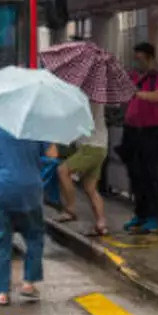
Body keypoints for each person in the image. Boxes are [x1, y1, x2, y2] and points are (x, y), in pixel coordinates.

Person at [0, 122, 55, 306]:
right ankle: (28, 284)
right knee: (34, 236)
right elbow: (52, 155)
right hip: (29, 191)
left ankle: (1, 292)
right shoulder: (38, 126)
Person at [119, 42, 158, 234]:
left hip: (152, 130)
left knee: (150, 173)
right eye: (135, 58)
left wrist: (138, 93)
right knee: (135, 173)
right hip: (132, 129)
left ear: (149, 58)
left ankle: (153, 216)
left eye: (140, 58)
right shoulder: (131, 77)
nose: (136, 62)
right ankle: (139, 214)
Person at [53, 101, 110, 236]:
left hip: (91, 147)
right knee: (90, 188)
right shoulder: (95, 98)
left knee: (63, 170)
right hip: (99, 146)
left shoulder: (87, 99)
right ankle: (101, 224)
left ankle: (70, 209)